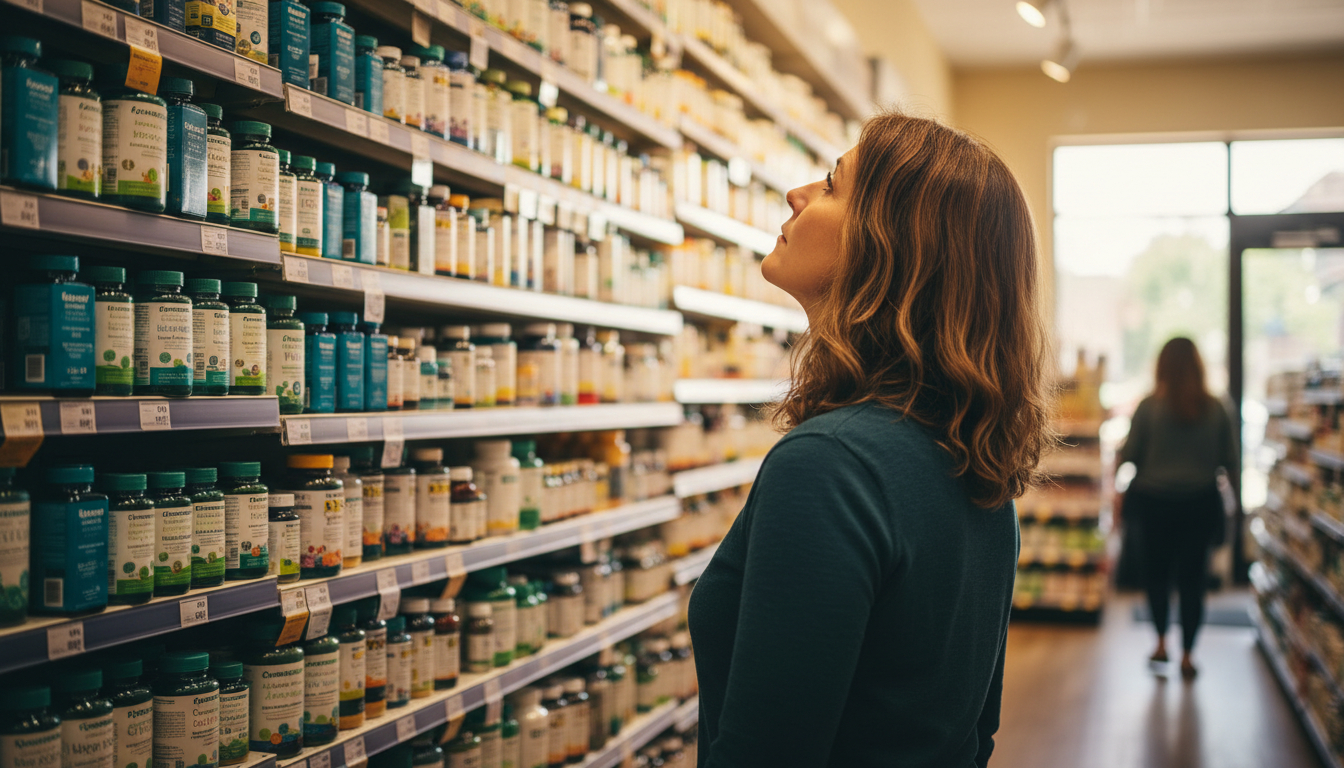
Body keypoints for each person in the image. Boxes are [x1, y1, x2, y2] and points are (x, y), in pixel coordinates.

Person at [686, 113, 1053, 768]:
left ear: (892, 246)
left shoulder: (829, 467)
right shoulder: (976, 468)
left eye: (830, 185)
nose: (797, 193)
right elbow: (974, 736)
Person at [1117, 337, 1237, 680]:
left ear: (1162, 366)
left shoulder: (1148, 407)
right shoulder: (1216, 408)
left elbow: (1130, 457)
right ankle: (1187, 654)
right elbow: (1229, 461)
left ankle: (1159, 643)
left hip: (1154, 504)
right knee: (1193, 581)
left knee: (1156, 577)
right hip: (1200, 504)